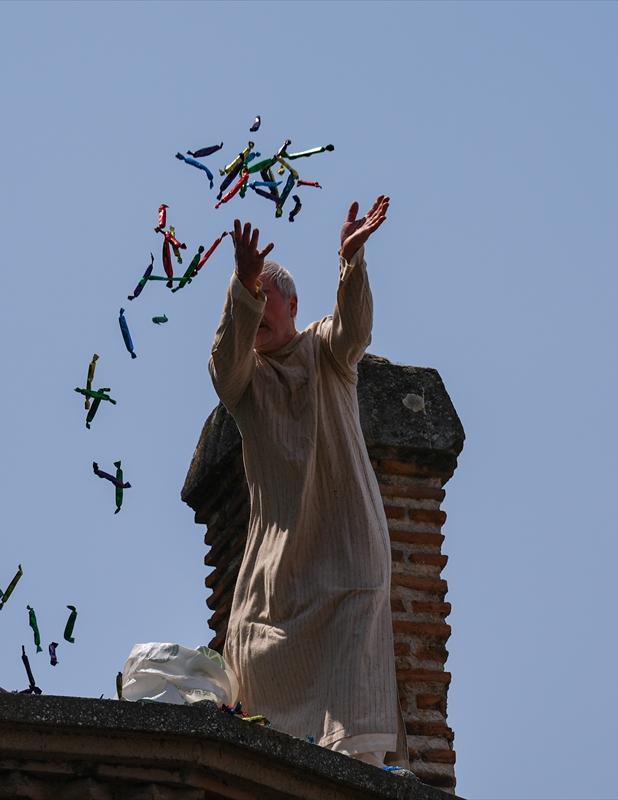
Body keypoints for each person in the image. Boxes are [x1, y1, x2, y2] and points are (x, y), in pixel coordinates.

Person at [208, 196, 403, 767]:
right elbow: (224, 367)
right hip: (276, 569)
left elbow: (354, 330)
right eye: (251, 296)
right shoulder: (246, 382)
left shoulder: (325, 352)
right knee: (253, 660)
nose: (259, 305)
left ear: (293, 304)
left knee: (352, 711)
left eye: (267, 294)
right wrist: (241, 286)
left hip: (345, 555)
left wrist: (351, 263)